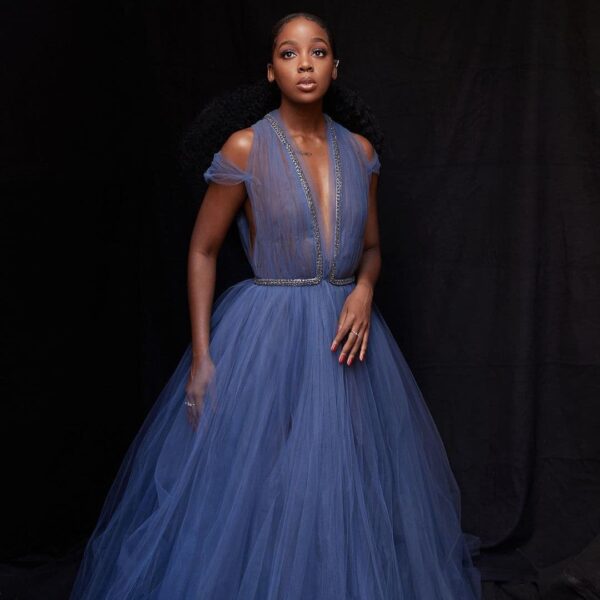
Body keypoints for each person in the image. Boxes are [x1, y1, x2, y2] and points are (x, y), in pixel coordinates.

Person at [70, 11, 483, 599]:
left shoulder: (360, 151)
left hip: (345, 338)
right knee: (262, 484)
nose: (304, 64)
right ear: (271, 71)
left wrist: (364, 290)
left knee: (339, 484)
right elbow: (202, 250)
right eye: (289, 54)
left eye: (318, 52)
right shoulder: (245, 147)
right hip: (268, 334)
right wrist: (202, 358)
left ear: (335, 67)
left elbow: (371, 249)